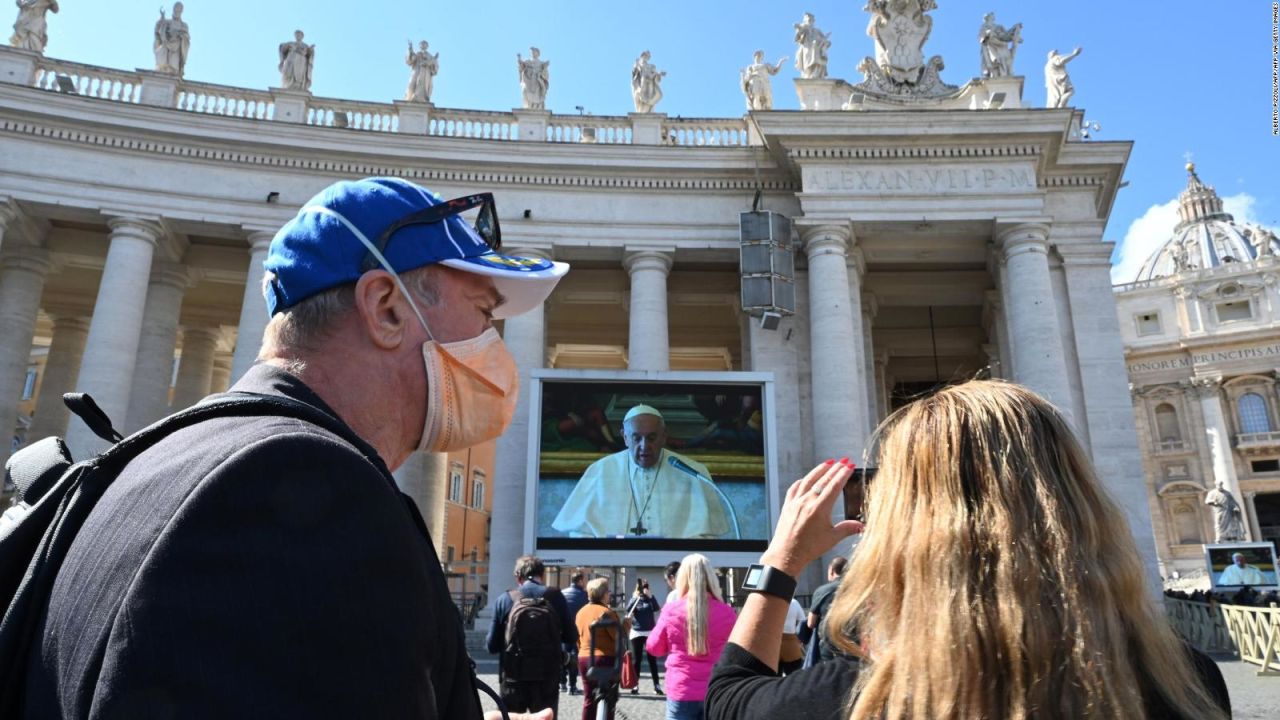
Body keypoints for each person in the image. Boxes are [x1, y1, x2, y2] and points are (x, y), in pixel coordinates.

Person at [21, 176, 569, 719]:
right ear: (386, 308)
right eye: (483, 312)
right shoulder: (310, 498)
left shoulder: (155, 460)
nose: (493, 344)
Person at [706, 381, 1231, 720]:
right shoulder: (1188, 684)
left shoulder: (853, 699)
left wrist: (781, 562)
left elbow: (729, 697)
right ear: (1076, 504)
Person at [552, 405, 734, 539]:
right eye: (636, 438)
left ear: (664, 436)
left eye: (652, 438)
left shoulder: (693, 471)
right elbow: (580, 532)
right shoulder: (600, 470)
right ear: (624, 437)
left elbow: (707, 537)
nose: (644, 446)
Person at [647, 553, 736, 720]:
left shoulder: (671, 610)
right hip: (715, 690)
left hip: (681, 689)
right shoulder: (727, 613)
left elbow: (654, 647)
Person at [487, 555, 577, 718]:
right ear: (542, 575)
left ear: (517, 576)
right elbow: (572, 636)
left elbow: (492, 645)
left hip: (513, 677)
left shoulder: (504, 599)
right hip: (547, 676)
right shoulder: (555, 597)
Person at [577, 577, 621, 720]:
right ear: (603, 594)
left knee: (589, 698)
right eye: (608, 591)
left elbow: (578, 638)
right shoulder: (607, 612)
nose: (609, 594)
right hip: (604, 659)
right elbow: (617, 637)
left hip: (584, 658)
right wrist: (626, 625)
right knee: (608, 698)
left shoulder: (580, 612)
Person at [805, 556, 848, 665]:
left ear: (832, 571)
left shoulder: (823, 590)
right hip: (854, 643)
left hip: (829, 644)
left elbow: (810, 623)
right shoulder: (858, 589)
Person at [625, 578, 663, 695]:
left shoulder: (650, 599)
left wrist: (650, 596)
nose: (644, 589)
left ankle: (656, 685)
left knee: (652, 660)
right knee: (637, 660)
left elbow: (657, 609)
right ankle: (635, 685)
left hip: (650, 632)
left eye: (646, 587)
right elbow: (628, 610)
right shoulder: (635, 598)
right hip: (637, 632)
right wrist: (635, 598)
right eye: (642, 587)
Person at [562, 570, 590, 695]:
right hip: (577, 630)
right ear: (579, 581)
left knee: (563, 655)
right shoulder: (584, 595)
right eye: (583, 580)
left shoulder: (563, 593)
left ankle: (562, 682)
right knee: (574, 657)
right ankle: (571, 685)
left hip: (563, 630)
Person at [153, 3, 189, 76]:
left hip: (176, 47)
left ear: (181, 11)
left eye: (179, 9)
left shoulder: (184, 25)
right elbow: (158, 31)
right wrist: (162, 18)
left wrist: (180, 35)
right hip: (166, 45)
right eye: (176, 8)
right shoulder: (167, 22)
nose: (177, 11)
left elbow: (186, 38)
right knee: (163, 66)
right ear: (173, 9)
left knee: (173, 67)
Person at [778, 597, 807, 676]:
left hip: (770, 644)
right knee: (795, 676)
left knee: (772, 679)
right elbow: (803, 620)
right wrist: (798, 634)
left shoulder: (767, 600)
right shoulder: (793, 602)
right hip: (790, 643)